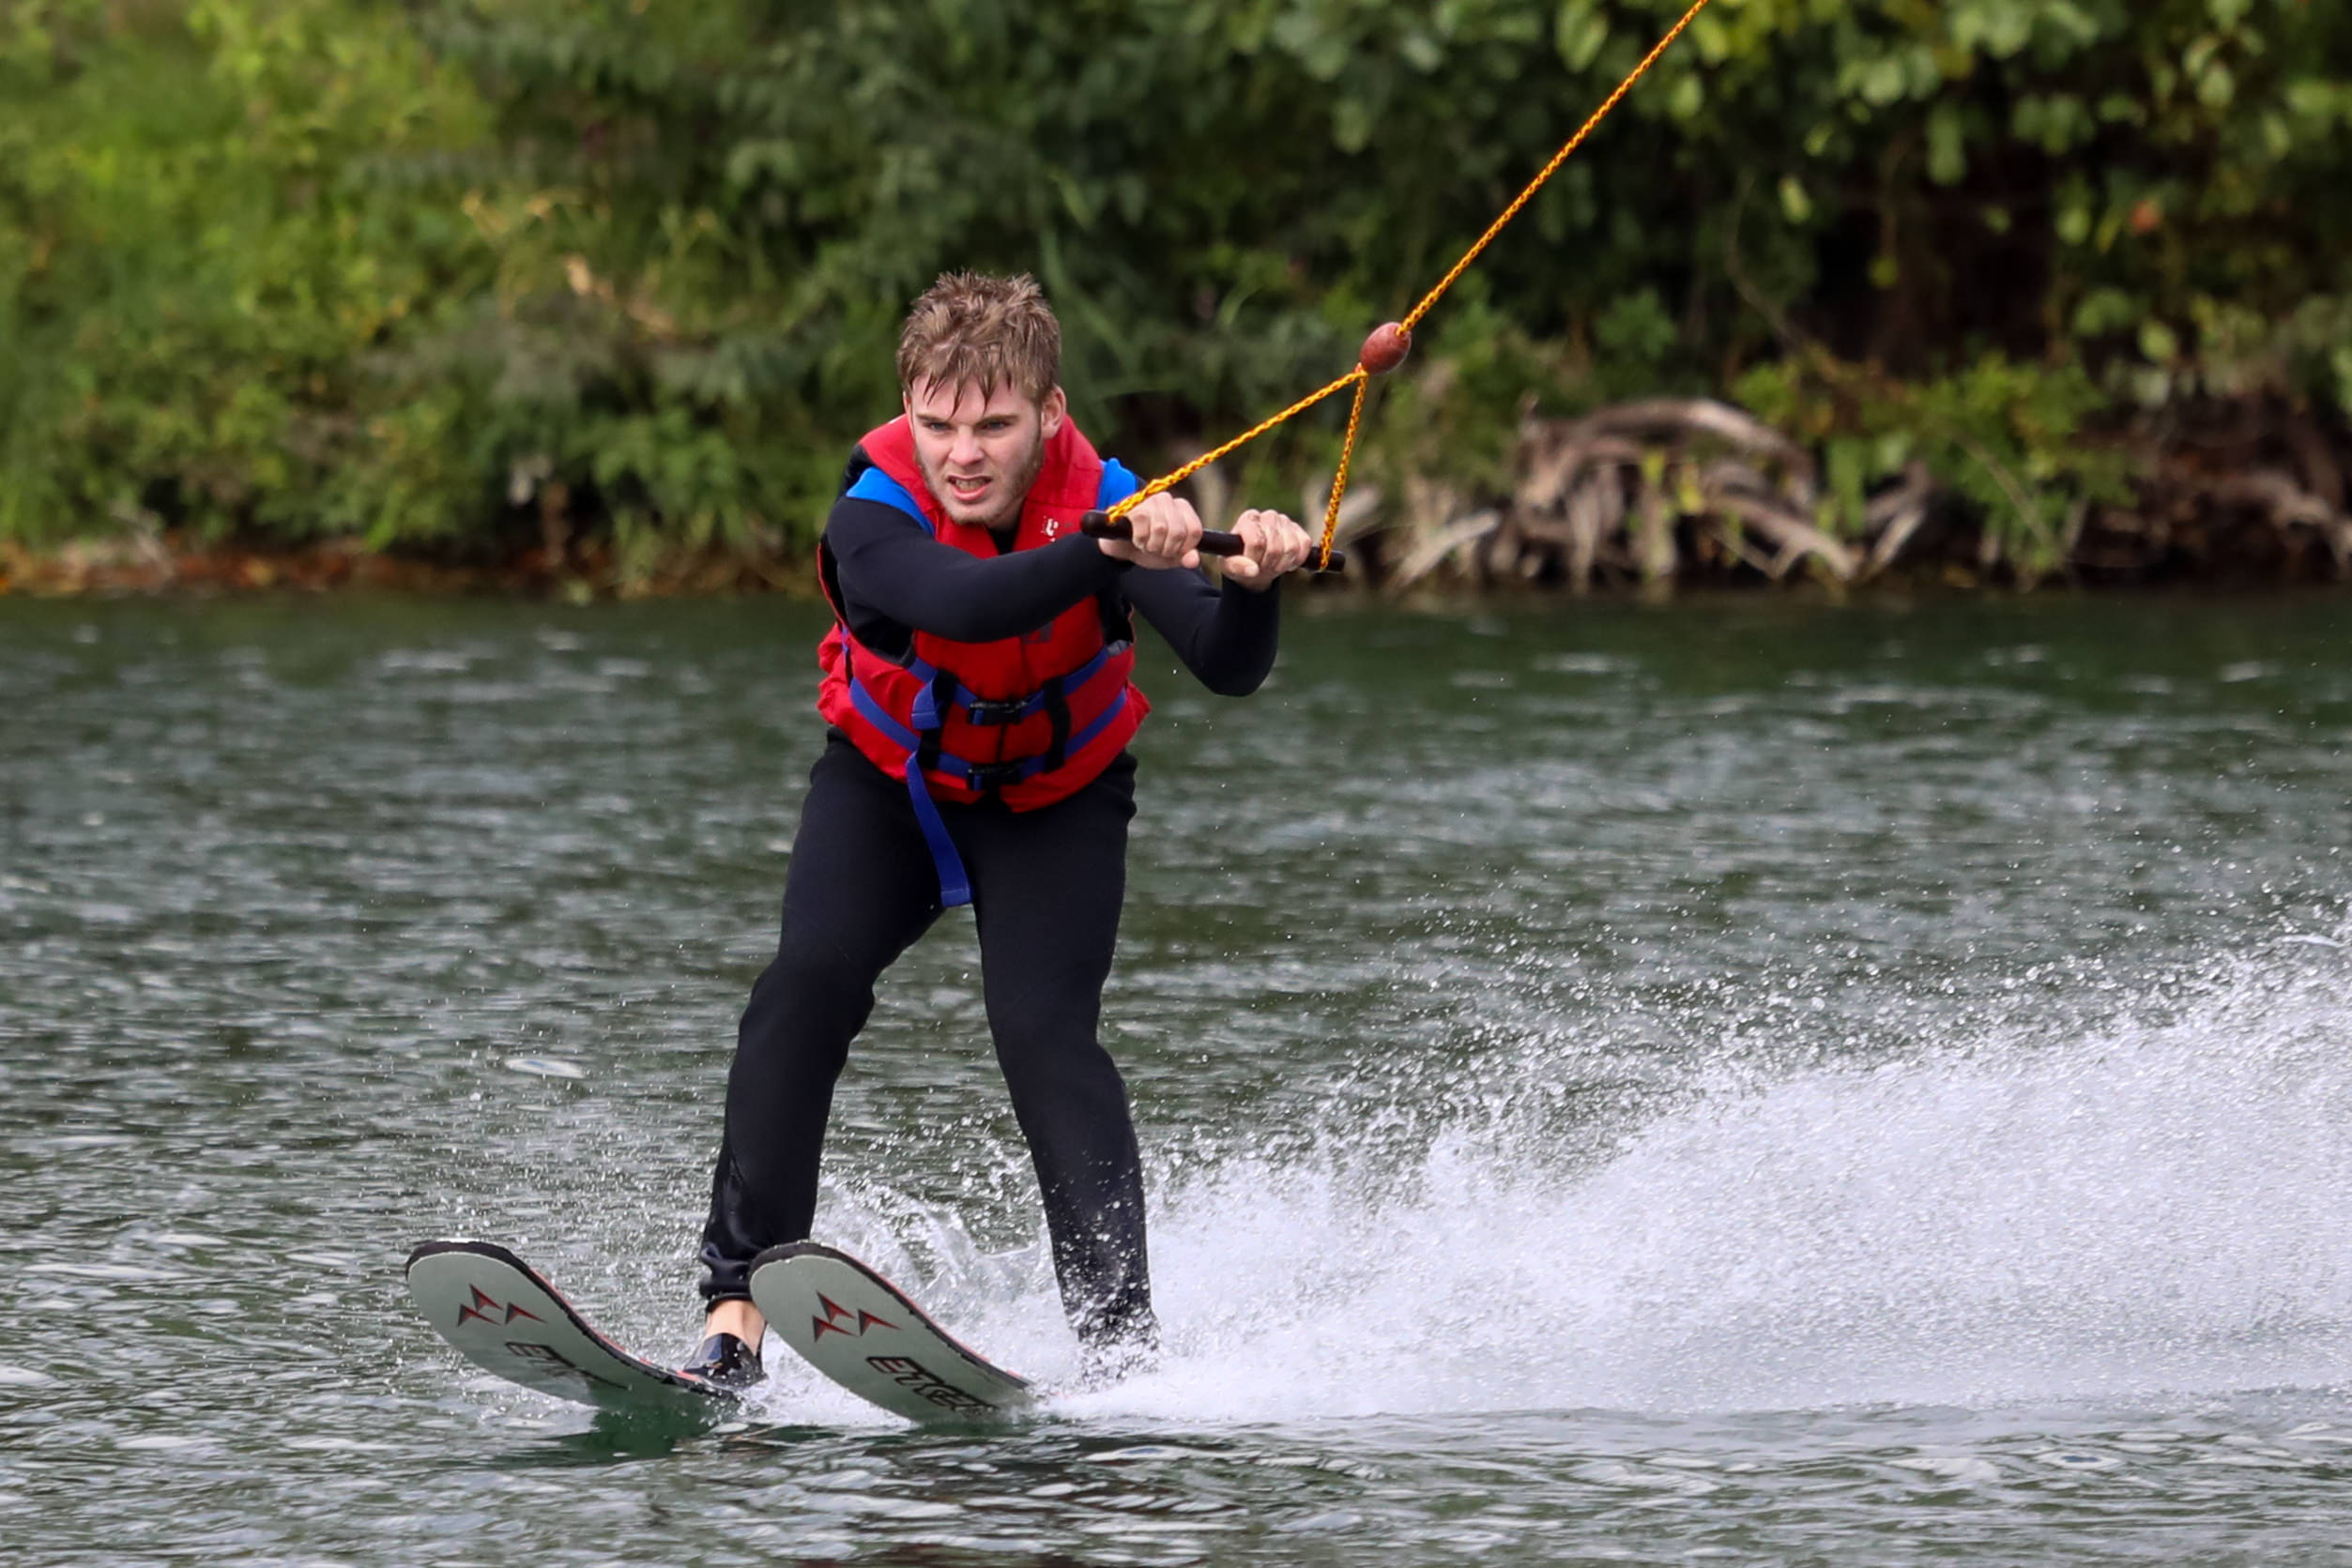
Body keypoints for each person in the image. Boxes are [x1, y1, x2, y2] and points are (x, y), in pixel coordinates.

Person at [685, 272, 1313, 1388]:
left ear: (1050, 416)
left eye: (994, 426)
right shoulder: (871, 513)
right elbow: (966, 607)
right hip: (893, 785)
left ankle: (1120, 1357)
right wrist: (1111, 551)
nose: (962, 454)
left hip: (1054, 798)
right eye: (938, 425)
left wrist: (1253, 586)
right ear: (908, 415)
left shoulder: (1110, 497)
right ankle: (734, 1317)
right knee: (805, 984)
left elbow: (1226, 667)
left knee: (1044, 1037)